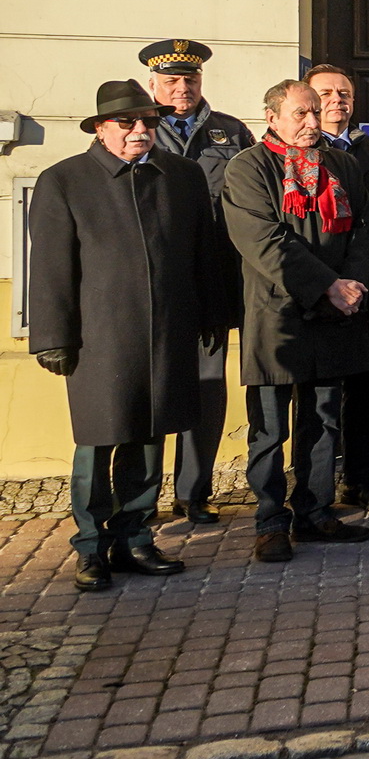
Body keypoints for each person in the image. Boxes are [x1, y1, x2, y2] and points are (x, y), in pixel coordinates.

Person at [29, 82, 220, 591]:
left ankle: (136, 536)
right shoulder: (64, 180)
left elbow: (206, 250)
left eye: (149, 122)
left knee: (150, 436)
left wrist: (213, 315)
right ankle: (91, 548)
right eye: (127, 123)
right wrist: (53, 335)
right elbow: (49, 267)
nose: (141, 131)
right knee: (98, 442)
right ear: (99, 128)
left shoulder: (181, 176)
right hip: (99, 339)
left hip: (167, 333)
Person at [221, 80, 369, 561]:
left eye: (317, 112)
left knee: (324, 420)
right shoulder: (247, 168)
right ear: (272, 118)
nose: (313, 123)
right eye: (301, 114)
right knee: (270, 428)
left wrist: (349, 283)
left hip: (335, 313)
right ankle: (271, 521)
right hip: (277, 315)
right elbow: (265, 241)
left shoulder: (343, 164)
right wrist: (328, 284)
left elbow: (365, 228)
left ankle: (315, 512)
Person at [141, 38, 252, 526]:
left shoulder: (230, 132)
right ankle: (139, 498)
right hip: (155, 285)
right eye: (171, 81)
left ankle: (194, 491)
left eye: (189, 79)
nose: (182, 89)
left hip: (213, 280)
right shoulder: (135, 131)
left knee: (208, 387)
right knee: (153, 388)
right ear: (153, 84)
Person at [306, 63, 369, 509]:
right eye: (326, 94)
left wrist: (365, 276)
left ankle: (359, 480)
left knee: (365, 391)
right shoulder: (296, 152)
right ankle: (313, 488)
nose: (336, 101)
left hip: (367, 284)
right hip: (317, 288)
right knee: (320, 399)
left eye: (344, 94)